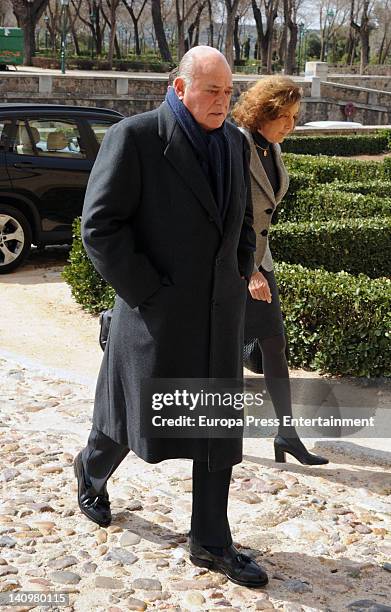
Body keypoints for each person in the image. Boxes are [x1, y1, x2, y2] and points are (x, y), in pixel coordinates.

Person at [73, 45, 268, 588]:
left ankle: (211, 541)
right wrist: (149, 292)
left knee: (215, 430)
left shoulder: (233, 142)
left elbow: (241, 222)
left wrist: (239, 270)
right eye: (212, 90)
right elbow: (100, 227)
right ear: (179, 87)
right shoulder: (134, 138)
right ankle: (90, 469)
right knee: (130, 420)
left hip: (217, 316)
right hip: (154, 317)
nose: (223, 102)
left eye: (229, 92)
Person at [232, 75, 329, 466]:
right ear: (263, 113)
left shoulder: (271, 146)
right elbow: (231, 214)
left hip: (260, 260)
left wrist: (259, 266)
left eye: (294, 116)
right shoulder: (237, 143)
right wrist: (248, 270)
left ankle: (286, 434)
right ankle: (219, 435)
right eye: (285, 116)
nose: (291, 124)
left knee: (274, 343)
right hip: (234, 265)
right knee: (221, 354)